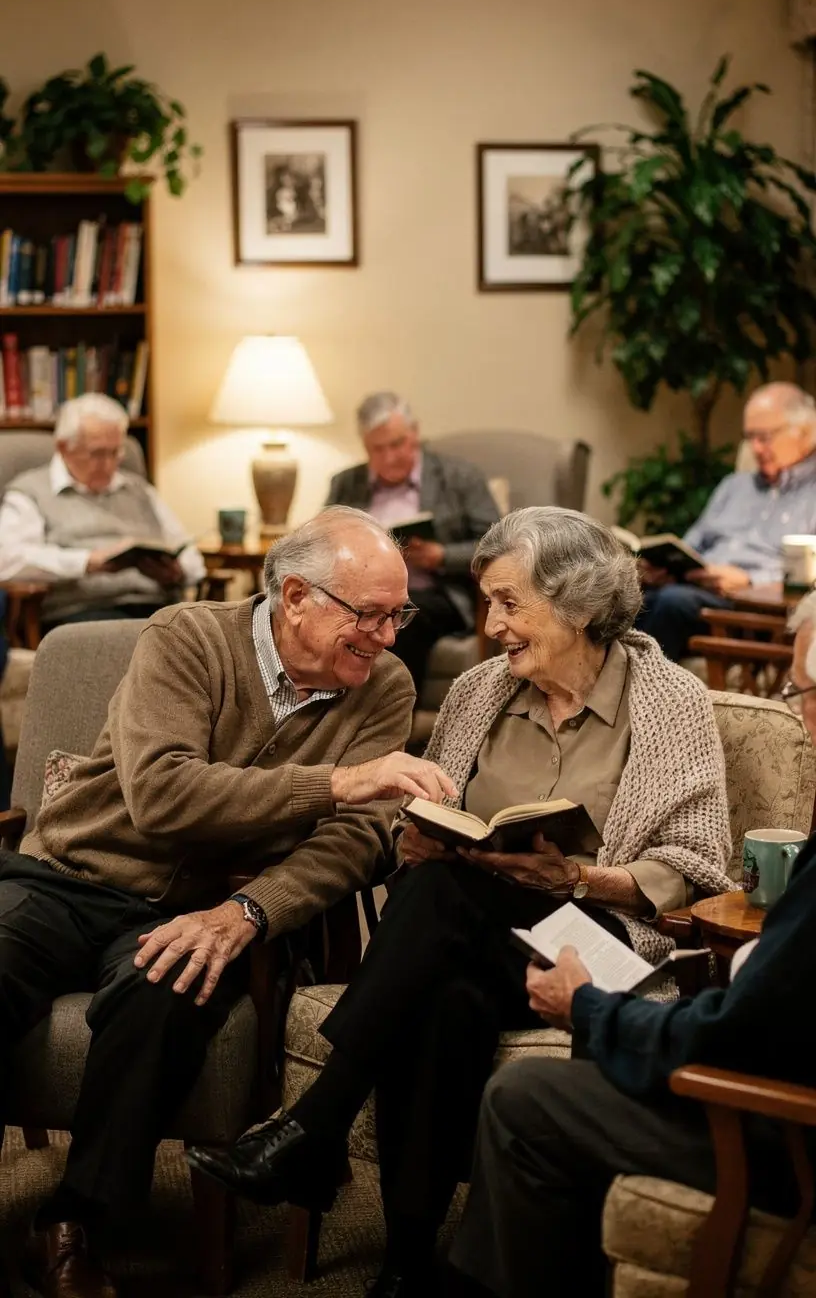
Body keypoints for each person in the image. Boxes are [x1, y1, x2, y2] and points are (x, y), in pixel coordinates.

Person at [188, 506, 734, 1298]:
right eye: (487, 602)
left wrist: (574, 878)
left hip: (600, 945)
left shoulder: (670, 701)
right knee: (444, 987)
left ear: (578, 603)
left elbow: (697, 869)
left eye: (510, 603)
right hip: (468, 937)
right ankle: (410, 1263)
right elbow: (433, 822)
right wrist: (415, 844)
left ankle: (316, 1122)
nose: (491, 624)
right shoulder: (480, 692)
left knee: (446, 899)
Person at [0, 507, 453, 1298]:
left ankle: (76, 1227)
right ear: (297, 597)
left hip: (207, 907)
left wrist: (252, 912)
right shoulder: (187, 638)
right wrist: (338, 782)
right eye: (369, 615)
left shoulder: (384, 688)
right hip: (69, 874)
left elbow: (356, 843)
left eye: (397, 614)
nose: (387, 635)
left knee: (166, 988)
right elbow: (162, 796)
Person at [447, 588, 816, 1298]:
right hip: (769, 1072)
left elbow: (737, 1032)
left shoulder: (666, 699)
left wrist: (590, 1010)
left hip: (781, 1130)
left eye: (800, 688)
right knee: (444, 956)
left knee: (525, 1094)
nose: (798, 710)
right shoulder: (482, 692)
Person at [325, 392, 500, 693]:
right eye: (378, 449)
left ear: (414, 433)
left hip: (436, 594)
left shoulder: (460, 477)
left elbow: (497, 546)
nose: (390, 457)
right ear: (365, 446)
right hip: (356, 595)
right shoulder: (345, 483)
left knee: (398, 621)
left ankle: (386, 721)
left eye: (397, 444)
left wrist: (441, 556)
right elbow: (323, 542)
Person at [635, 382, 816, 661]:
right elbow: (692, 543)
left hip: (751, 612)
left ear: (804, 432)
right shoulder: (734, 486)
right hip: (695, 590)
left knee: (671, 604)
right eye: (749, 437)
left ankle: (635, 697)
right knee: (625, 596)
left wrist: (750, 581)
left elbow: (808, 579)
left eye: (764, 437)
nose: (755, 448)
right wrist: (667, 566)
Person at [0, 392, 205, 628]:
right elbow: (8, 560)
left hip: (159, 609)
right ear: (63, 447)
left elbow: (190, 555)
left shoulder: (140, 490)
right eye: (97, 453)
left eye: (116, 452)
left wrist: (177, 573)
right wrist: (86, 562)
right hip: (85, 613)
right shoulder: (30, 492)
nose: (108, 464)